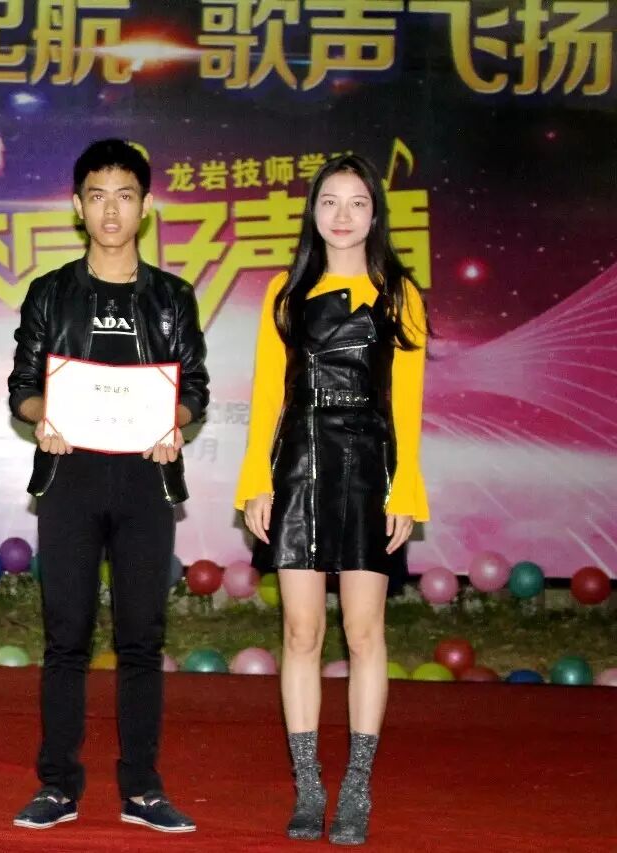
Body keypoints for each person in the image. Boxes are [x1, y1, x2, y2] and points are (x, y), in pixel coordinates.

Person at [6, 139, 209, 833]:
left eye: (125, 196)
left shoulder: (173, 298)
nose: (111, 210)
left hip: (146, 479)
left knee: (141, 638)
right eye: (98, 196)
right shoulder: (50, 292)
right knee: (65, 636)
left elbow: (194, 388)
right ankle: (57, 784)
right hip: (70, 477)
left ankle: (142, 787)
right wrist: (43, 414)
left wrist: (176, 420)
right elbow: (23, 387)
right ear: (77, 206)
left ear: (146, 207)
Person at [235, 153, 430, 845]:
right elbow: (267, 396)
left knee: (366, 632)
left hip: (370, 467)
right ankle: (309, 786)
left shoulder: (400, 294)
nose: (342, 216)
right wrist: (255, 483)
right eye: (329, 202)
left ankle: (356, 788)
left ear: (375, 215)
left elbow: (408, 405)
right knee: (301, 632)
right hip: (298, 465)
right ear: (312, 213)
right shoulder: (284, 292)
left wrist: (406, 489)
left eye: (356, 203)